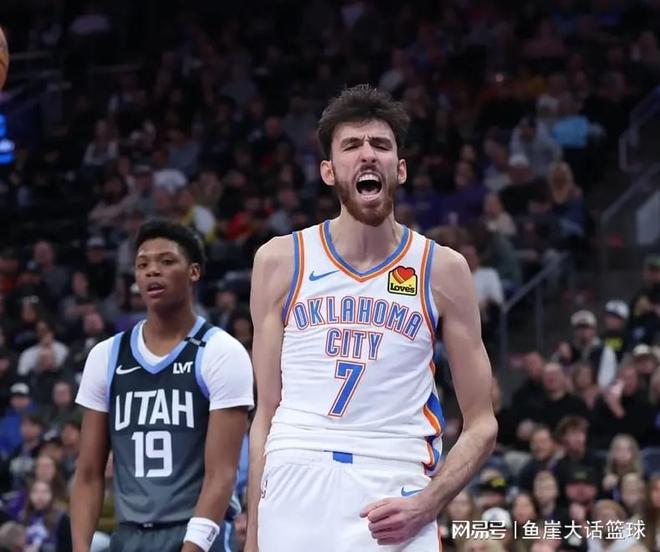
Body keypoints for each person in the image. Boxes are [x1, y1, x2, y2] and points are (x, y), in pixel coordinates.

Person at [246, 84, 497, 551]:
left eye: (380, 145)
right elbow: (266, 413)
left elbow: (482, 423)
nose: (367, 155)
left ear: (400, 168)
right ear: (328, 171)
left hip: (395, 483)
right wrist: (254, 539)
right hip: (296, 478)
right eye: (351, 145)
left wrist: (429, 503)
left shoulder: (442, 269)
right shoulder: (280, 260)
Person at [71, 220, 254, 552]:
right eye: (142, 265)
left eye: (166, 261)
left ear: (194, 272)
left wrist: (193, 547)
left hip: (198, 533)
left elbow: (222, 475)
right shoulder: (106, 356)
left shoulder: (221, 351)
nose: (152, 271)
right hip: (130, 536)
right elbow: (88, 473)